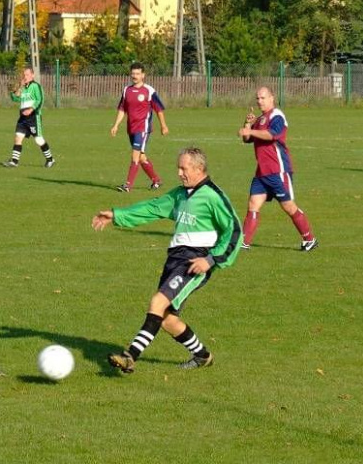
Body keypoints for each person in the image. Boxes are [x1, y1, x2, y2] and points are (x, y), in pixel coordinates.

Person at [92, 147, 242, 373]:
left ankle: (130, 356)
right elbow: (153, 208)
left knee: (157, 303)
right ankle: (202, 355)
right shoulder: (181, 194)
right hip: (175, 259)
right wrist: (117, 215)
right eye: (178, 168)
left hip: (194, 261)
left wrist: (210, 261)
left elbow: (234, 231)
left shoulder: (212, 196)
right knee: (166, 320)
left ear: (199, 168)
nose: (179, 173)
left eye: (184, 168)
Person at [238, 87, 317, 251]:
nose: (259, 101)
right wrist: (247, 124)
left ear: (272, 97)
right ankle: (244, 243)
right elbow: (247, 139)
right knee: (253, 204)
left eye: (263, 98)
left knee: (289, 207)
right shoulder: (260, 119)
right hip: (262, 172)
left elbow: (272, 134)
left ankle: (309, 239)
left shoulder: (277, 115)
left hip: (278, 170)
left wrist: (250, 129)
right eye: (257, 98)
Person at [110, 62, 168, 192]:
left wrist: (163, 125)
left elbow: (159, 109)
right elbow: (122, 109)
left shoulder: (149, 91)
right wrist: (116, 125)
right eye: (133, 73)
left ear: (143, 75)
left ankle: (128, 185)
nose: (135, 76)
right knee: (141, 157)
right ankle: (156, 180)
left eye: (137, 74)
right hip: (131, 128)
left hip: (143, 128)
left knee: (135, 156)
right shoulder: (127, 90)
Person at [3, 67, 55, 168]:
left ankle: (50, 159)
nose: (25, 77)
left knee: (39, 140)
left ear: (32, 75)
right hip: (23, 118)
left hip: (34, 117)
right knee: (18, 137)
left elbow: (40, 100)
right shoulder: (23, 87)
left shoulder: (36, 86)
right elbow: (14, 98)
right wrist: (20, 87)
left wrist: (31, 109)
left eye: (27, 75)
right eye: (24, 75)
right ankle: (14, 161)